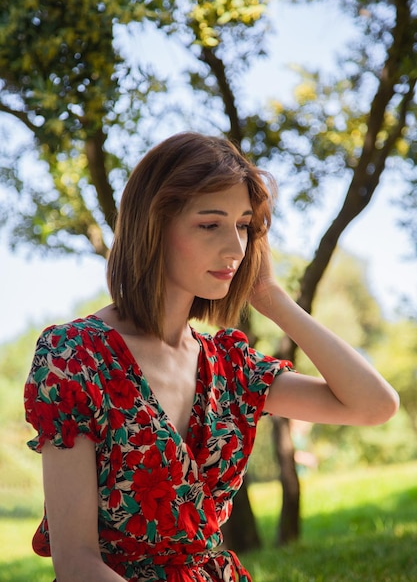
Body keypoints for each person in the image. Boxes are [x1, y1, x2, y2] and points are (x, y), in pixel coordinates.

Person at [24, 132, 399, 582]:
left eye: (243, 225)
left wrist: (272, 298)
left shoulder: (229, 366)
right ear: (154, 227)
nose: (237, 249)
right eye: (210, 224)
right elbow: (76, 563)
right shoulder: (75, 356)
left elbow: (374, 405)